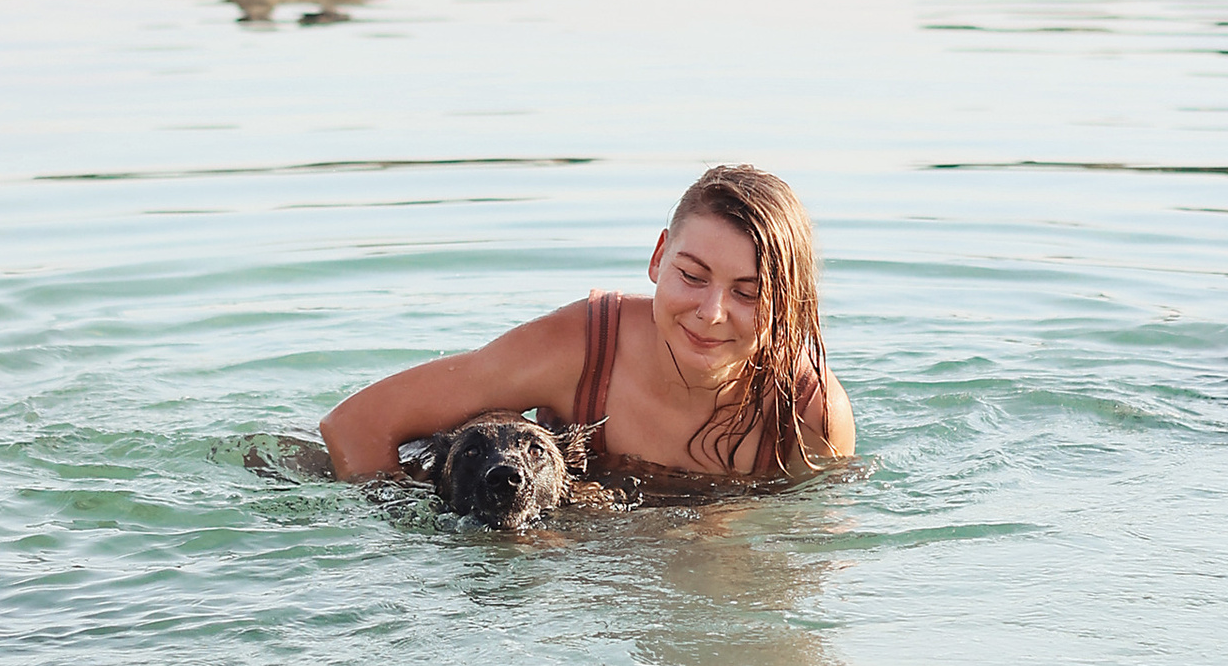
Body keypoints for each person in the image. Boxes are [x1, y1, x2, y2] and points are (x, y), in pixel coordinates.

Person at [319, 163, 854, 486]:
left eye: (748, 292)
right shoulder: (582, 348)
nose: (711, 312)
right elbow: (357, 426)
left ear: (789, 301)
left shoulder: (808, 414)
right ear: (658, 258)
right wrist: (406, 543)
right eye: (692, 276)